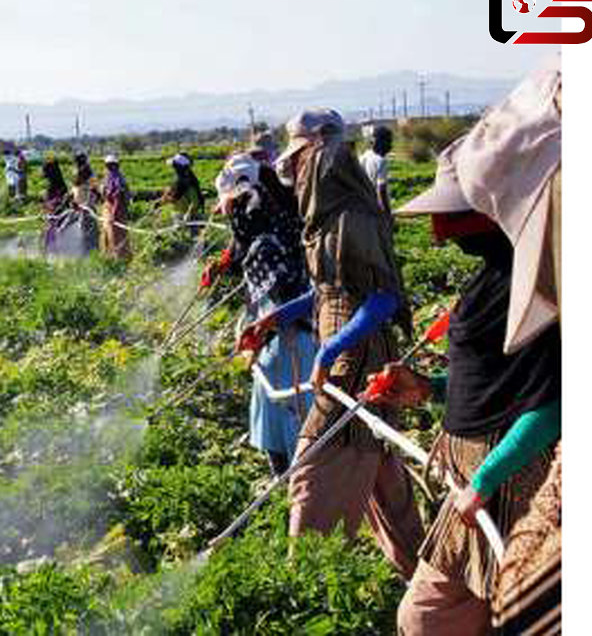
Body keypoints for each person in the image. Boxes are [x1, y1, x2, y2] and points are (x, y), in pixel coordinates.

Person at [383, 61, 563, 636]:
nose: (437, 232)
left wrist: (488, 476)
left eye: (450, 215)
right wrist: (431, 390)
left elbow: (555, 401)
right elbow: (497, 383)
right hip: (479, 485)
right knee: (427, 620)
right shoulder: (492, 276)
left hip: (517, 489)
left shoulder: (539, 280)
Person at [239, 108, 423, 580]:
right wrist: (272, 320)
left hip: (357, 362)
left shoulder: (351, 218)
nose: (294, 173)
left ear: (322, 154)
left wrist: (329, 348)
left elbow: (383, 299)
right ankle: (427, 577)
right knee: (379, 471)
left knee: (313, 468)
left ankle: (309, 584)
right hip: (348, 352)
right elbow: (327, 291)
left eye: (300, 161)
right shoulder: (325, 218)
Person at [205, 151, 314, 475]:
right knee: (282, 420)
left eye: (228, 208)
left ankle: (295, 498)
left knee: (292, 427)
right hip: (287, 344)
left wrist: (259, 332)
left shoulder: (264, 244)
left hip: (291, 347)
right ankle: (290, 492)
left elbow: (283, 303)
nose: (228, 216)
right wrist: (223, 264)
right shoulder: (277, 219)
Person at [161, 153, 204, 234]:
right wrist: (164, 198)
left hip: (190, 217)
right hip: (179, 214)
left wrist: (188, 215)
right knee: (180, 236)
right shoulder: (179, 180)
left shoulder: (188, 183)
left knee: (193, 238)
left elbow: (194, 202)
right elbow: (173, 195)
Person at [99, 155, 130, 259]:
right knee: (110, 235)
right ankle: (110, 257)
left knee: (116, 236)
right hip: (110, 208)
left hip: (115, 210)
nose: (108, 167)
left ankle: (119, 259)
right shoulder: (110, 176)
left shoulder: (116, 178)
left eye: (109, 165)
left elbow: (117, 197)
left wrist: (113, 215)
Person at [70, 151, 100, 253]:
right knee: (87, 226)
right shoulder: (83, 171)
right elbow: (94, 187)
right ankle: (87, 248)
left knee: (83, 225)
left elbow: (93, 187)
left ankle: (86, 248)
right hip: (82, 202)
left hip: (82, 202)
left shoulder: (82, 171)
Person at [360, 126, 394, 213]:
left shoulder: (364, 156)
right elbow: (381, 190)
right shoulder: (381, 161)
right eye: (389, 141)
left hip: (364, 206)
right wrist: (387, 214)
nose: (390, 145)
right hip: (377, 209)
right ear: (381, 142)